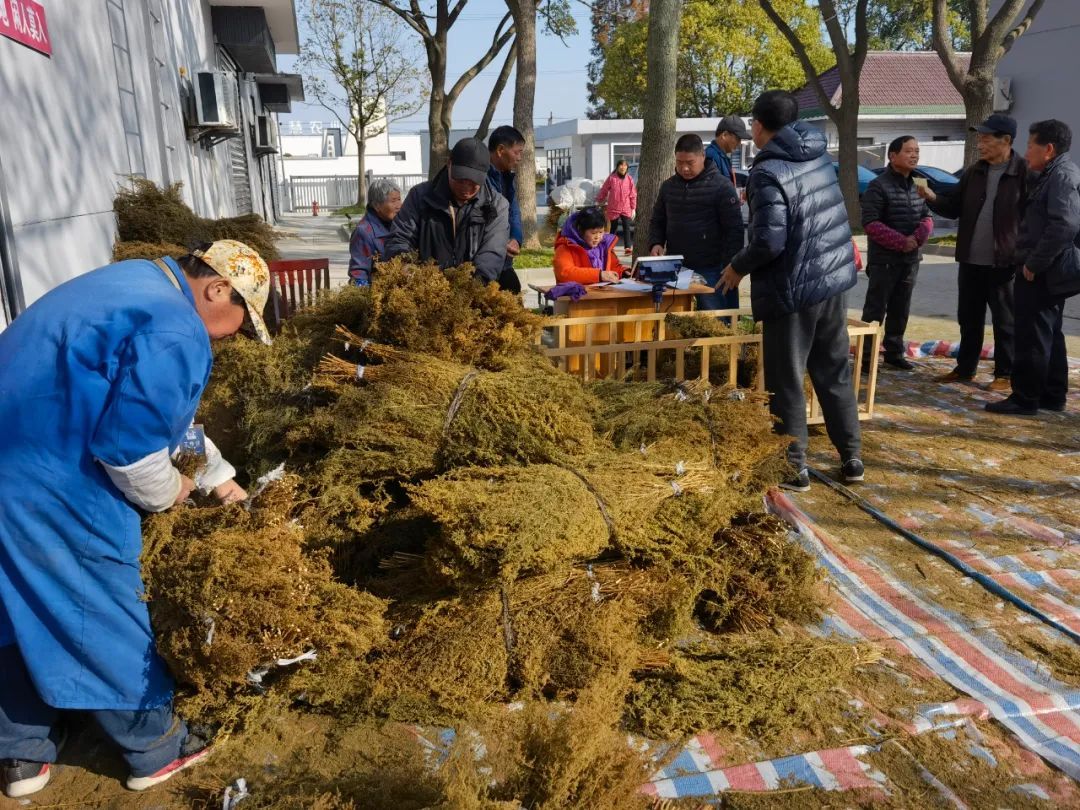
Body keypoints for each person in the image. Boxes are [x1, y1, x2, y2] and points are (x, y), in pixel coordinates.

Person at [0, 240, 271, 798]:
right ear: (219, 289)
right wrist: (171, 493)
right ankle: (156, 747)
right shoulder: (175, 327)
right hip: (49, 478)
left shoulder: (134, 287)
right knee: (96, 602)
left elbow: (165, 419)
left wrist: (220, 479)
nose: (234, 336)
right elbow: (131, 452)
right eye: (242, 322)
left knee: (10, 602)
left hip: (13, 458)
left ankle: (20, 754)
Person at [717, 90, 863, 492]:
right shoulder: (819, 155)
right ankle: (852, 457)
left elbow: (769, 241)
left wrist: (737, 267)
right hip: (832, 282)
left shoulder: (767, 171)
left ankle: (793, 466)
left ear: (757, 126)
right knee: (834, 372)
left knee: (787, 380)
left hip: (793, 288)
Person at [918, 113, 1029, 390]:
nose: (980, 143)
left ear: (1006, 140)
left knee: (1005, 321)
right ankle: (965, 368)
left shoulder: (1025, 174)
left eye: (986, 138)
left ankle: (1005, 374)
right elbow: (953, 207)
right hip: (971, 259)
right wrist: (932, 197)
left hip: (1004, 262)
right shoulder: (974, 172)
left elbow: (1034, 219)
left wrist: (1025, 255)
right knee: (969, 318)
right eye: (980, 138)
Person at [986, 119, 1080, 415]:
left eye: (1030, 146)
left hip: (1043, 270)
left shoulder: (1061, 176)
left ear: (1048, 149)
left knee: (1031, 335)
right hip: (1047, 268)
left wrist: (1034, 263)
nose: (1026, 153)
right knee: (1049, 332)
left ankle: (1025, 398)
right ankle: (1052, 394)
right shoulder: (1054, 173)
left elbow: (1064, 225)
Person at [385, 137, 510, 284]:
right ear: (449, 164)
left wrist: (475, 283)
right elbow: (400, 237)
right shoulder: (419, 197)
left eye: (473, 183)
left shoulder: (497, 205)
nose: (466, 188)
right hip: (425, 285)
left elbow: (492, 253)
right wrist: (405, 264)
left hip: (472, 286)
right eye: (460, 180)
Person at [860, 136, 934, 371]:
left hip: (911, 259)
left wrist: (918, 237)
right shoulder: (878, 185)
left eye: (917, 151)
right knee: (875, 309)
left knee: (901, 308)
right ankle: (866, 358)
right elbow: (870, 224)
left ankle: (894, 352)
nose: (914, 155)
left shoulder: (919, 182)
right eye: (908, 151)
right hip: (885, 260)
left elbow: (927, 216)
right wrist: (901, 242)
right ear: (892, 156)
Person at [648, 133, 744, 310]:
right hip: (677, 267)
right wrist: (656, 243)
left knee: (715, 320)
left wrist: (732, 266)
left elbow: (735, 230)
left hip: (713, 269)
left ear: (702, 156)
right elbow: (658, 220)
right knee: (677, 317)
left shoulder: (722, 187)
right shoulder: (668, 187)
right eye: (679, 162)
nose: (684, 168)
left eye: (690, 163)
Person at [487, 125, 526, 293]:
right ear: (500, 150)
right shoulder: (480, 178)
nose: (519, 158)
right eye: (517, 152)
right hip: (484, 261)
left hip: (504, 261)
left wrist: (516, 238)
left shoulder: (506, 177)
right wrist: (500, 242)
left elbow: (514, 211)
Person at [348, 177, 402, 286]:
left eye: (399, 199)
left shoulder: (400, 224)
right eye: (393, 201)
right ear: (377, 206)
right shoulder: (363, 232)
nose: (399, 205)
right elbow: (359, 274)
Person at [553, 205, 623, 284]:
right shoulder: (566, 246)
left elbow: (613, 267)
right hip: (576, 291)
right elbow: (564, 273)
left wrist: (623, 272)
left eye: (601, 232)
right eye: (593, 233)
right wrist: (599, 275)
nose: (598, 237)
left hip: (601, 290)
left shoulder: (604, 245)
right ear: (581, 231)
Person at [596, 160, 637, 256]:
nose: (623, 167)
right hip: (614, 207)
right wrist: (599, 200)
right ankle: (611, 246)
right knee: (613, 228)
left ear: (627, 168)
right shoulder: (612, 178)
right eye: (621, 165)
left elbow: (633, 194)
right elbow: (604, 189)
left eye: (625, 165)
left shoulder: (629, 179)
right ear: (617, 167)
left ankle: (627, 248)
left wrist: (633, 208)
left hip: (626, 207)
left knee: (626, 227)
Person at [705, 114, 750, 187]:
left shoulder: (720, 156)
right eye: (737, 139)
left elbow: (726, 178)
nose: (739, 143)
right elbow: (715, 187)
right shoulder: (711, 156)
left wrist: (748, 179)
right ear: (724, 135)